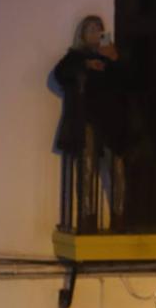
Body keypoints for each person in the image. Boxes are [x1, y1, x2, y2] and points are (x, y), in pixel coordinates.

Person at [54, 14, 126, 232]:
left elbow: (126, 81)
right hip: (86, 119)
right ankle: (87, 219)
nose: (96, 32)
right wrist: (86, 64)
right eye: (91, 28)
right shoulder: (75, 58)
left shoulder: (110, 58)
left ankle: (119, 218)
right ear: (83, 34)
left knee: (117, 167)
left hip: (110, 121)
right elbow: (61, 73)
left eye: (99, 28)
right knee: (87, 167)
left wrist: (113, 59)